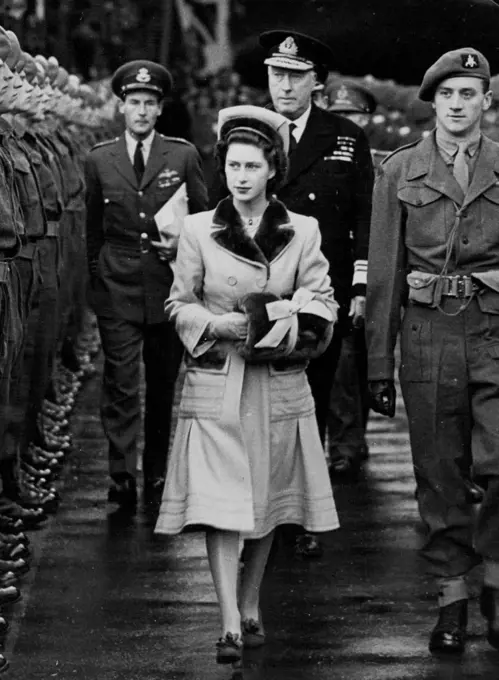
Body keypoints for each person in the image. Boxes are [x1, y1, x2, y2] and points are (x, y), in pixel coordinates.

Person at [155, 105, 339, 664]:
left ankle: (252, 601)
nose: (240, 176)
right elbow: (177, 303)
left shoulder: (302, 231)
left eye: (252, 166)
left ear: (272, 169)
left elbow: (322, 300)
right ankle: (230, 622)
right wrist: (218, 324)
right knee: (219, 503)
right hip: (218, 379)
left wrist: (291, 326)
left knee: (266, 500)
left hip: (276, 381)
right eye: (232, 164)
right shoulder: (197, 228)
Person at [366, 47, 499, 655]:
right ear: (433, 103)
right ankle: (452, 600)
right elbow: (387, 274)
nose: (457, 104)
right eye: (447, 95)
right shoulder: (399, 171)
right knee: (439, 472)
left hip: (495, 330)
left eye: (468, 94)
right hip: (428, 338)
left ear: (485, 102)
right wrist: (376, 362)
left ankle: (494, 581)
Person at [258, 30, 374, 557]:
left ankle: (302, 513)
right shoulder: (249, 131)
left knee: (313, 404)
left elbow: (363, 214)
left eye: (295, 75)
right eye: (276, 74)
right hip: (262, 290)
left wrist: (360, 285)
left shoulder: (345, 135)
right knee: (258, 404)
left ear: (317, 82)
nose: (284, 85)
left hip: (318, 292)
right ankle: (261, 517)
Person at [85, 60, 208, 510]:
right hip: (116, 284)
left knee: (161, 383)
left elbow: (203, 219)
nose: (141, 112)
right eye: (133, 103)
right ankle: (122, 474)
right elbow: (92, 229)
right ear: (121, 107)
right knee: (119, 382)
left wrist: (184, 257)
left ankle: (157, 470)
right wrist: (97, 275)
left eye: (149, 104)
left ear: (159, 110)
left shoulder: (182, 155)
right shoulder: (100, 158)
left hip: (167, 285)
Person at [322, 80, 377, 478]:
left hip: (376, 271)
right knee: (343, 360)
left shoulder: (383, 159)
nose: (346, 124)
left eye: (353, 116)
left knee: (366, 360)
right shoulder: (324, 159)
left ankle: (356, 436)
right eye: (339, 116)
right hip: (338, 270)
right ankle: (345, 444)